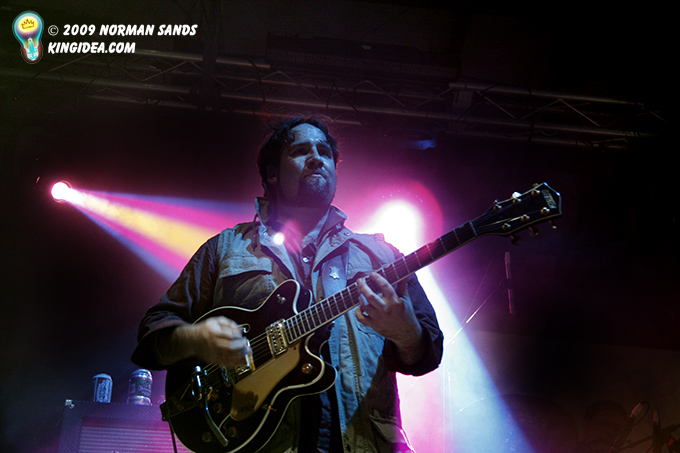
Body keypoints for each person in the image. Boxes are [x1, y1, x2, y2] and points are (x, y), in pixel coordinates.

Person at [131, 116, 444, 452]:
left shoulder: (383, 257)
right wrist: (195, 339)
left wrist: (406, 332)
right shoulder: (226, 248)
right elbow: (152, 335)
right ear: (272, 174)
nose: (316, 158)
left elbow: (428, 355)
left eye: (324, 152)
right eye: (300, 150)